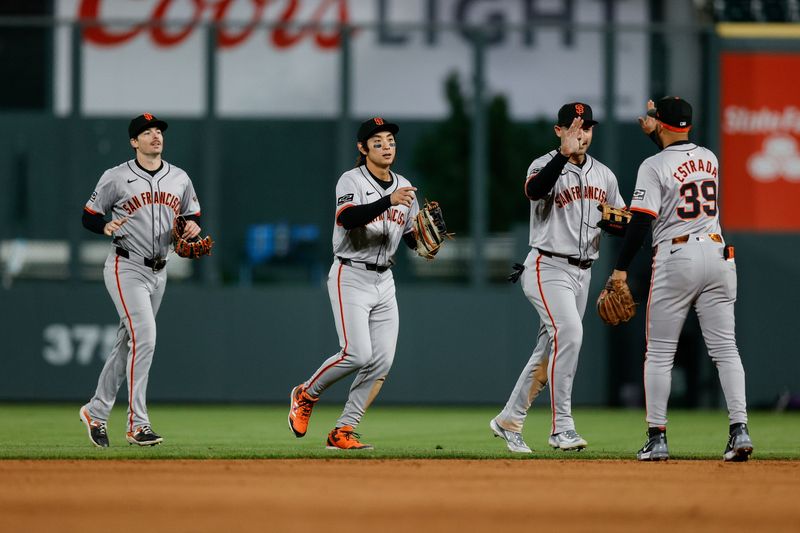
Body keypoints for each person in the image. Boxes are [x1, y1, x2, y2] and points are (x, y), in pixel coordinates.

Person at [602, 96, 753, 462]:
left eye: (655, 116)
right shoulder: (710, 158)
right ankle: (740, 430)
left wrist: (620, 268)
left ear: (662, 123)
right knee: (726, 350)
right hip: (718, 255)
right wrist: (660, 131)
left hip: (677, 256)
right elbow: (678, 154)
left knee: (659, 353)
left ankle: (657, 438)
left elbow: (640, 221)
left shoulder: (652, 165)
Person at [490, 103, 626, 453]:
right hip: (546, 267)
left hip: (584, 272)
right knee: (570, 334)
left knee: (549, 350)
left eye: (587, 128)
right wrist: (562, 156)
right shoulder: (543, 164)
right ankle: (561, 427)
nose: (581, 134)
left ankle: (509, 419)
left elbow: (621, 220)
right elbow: (534, 191)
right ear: (559, 131)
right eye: (574, 127)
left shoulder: (604, 175)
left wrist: (616, 221)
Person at [288, 117, 425, 450]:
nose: (386, 146)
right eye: (377, 141)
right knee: (357, 353)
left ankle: (343, 430)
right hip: (350, 274)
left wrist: (424, 242)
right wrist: (389, 201)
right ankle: (306, 394)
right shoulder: (351, 179)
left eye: (390, 140)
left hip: (384, 280)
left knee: (382, 361)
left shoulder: (404, 185)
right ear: (363, 149)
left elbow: (410, 236)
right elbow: (347, 218)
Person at [79, 113, 204, 447]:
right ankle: (138, 423)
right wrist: (103, 226)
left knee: (127, 344)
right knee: (145, 337)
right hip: (126, 267)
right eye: (147, 132)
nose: (155, 136)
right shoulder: (116, 177)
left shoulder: (179, 177)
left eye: (158, 131)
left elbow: (192, 215)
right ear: (134, 142)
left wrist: (191, 228)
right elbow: (89, 215)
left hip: (160, 270)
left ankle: (96, 411)